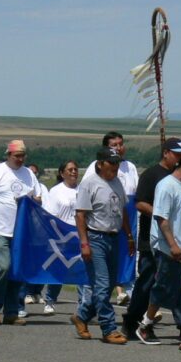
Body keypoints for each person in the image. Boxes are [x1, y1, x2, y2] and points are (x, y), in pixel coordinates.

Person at [121, 137, 181, 338]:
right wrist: (161, 214)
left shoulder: (180, 177)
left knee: (177, 280)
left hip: (175, 239)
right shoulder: (152, 175)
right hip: (153, 238)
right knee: (148, 281)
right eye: (176, 153)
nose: (179, 157)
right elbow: (140, 203)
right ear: (165, 152)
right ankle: (132, 320)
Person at [136, 152, 181, 345]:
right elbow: (162, 219)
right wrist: (173, 245)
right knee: (164, 287)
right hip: (168, 247)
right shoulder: (167, 186)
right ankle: (145, 325)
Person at [71, 146, 135, 344]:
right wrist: (84, 243)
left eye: (117, 163)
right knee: (101, 285)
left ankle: (81, 316)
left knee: (108, 286)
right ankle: (109, 329)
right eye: (111, 163)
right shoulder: (89, 184)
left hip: (114, 237)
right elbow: (80, 214)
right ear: (100, 164)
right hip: (95, 238)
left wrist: (129, 235)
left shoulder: (117, 182)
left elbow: (122, 210)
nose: (115, 167)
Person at [0, 140, 42, 326]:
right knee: (3, 267)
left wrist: (30, 201)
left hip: (21, 232)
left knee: (17, 271)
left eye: (23, 156)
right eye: (17, 156)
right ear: (9, 155)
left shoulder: (28, 174)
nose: (20, 159)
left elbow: (38, 198)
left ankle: (12, 311)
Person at [81, 131, 138, 306]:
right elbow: (84, 205)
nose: (119, 148)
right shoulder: (94, 171)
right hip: (98, 227)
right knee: (100, 276)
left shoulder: (130, 168)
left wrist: (129, 234)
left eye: (121, 144)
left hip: (122, 222)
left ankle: (88, 313)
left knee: (118, 272)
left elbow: (128, 202)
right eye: (114, 145)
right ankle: (93, 311)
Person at [39, 160, 79, 314]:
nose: (73, 172)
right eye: (70, 170)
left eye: (75, 169)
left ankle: (83, 304)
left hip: (79, 234)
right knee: (59, 269)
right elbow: (50, 215)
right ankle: (50, 300)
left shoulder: (83, 190)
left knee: (81, 269)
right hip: (61, 235)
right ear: (62, 173)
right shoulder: (56, 191)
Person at [18, 163, 51, 315]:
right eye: (31, 172)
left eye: (35, 173)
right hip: (24, 231)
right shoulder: (21, 187)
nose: (33, 175)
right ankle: (26, 293)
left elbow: (47, 207)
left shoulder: (42, 188)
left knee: (41, 264)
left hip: (40, 231)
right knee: (27, 263)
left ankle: (37, 291)